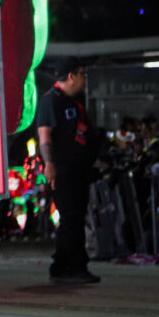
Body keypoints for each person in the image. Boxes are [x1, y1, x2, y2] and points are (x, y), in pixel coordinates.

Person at [36, 59, 101, 284]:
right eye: (82, 74)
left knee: (72, 217)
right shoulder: (50, 101)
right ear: (71, 76)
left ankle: (61, 265)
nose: (85, 80)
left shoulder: (73, 102)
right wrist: (49, 164)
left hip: (78, 168)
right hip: (62, 168)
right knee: (71, 216)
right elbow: (44, 135)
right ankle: (75, 266)